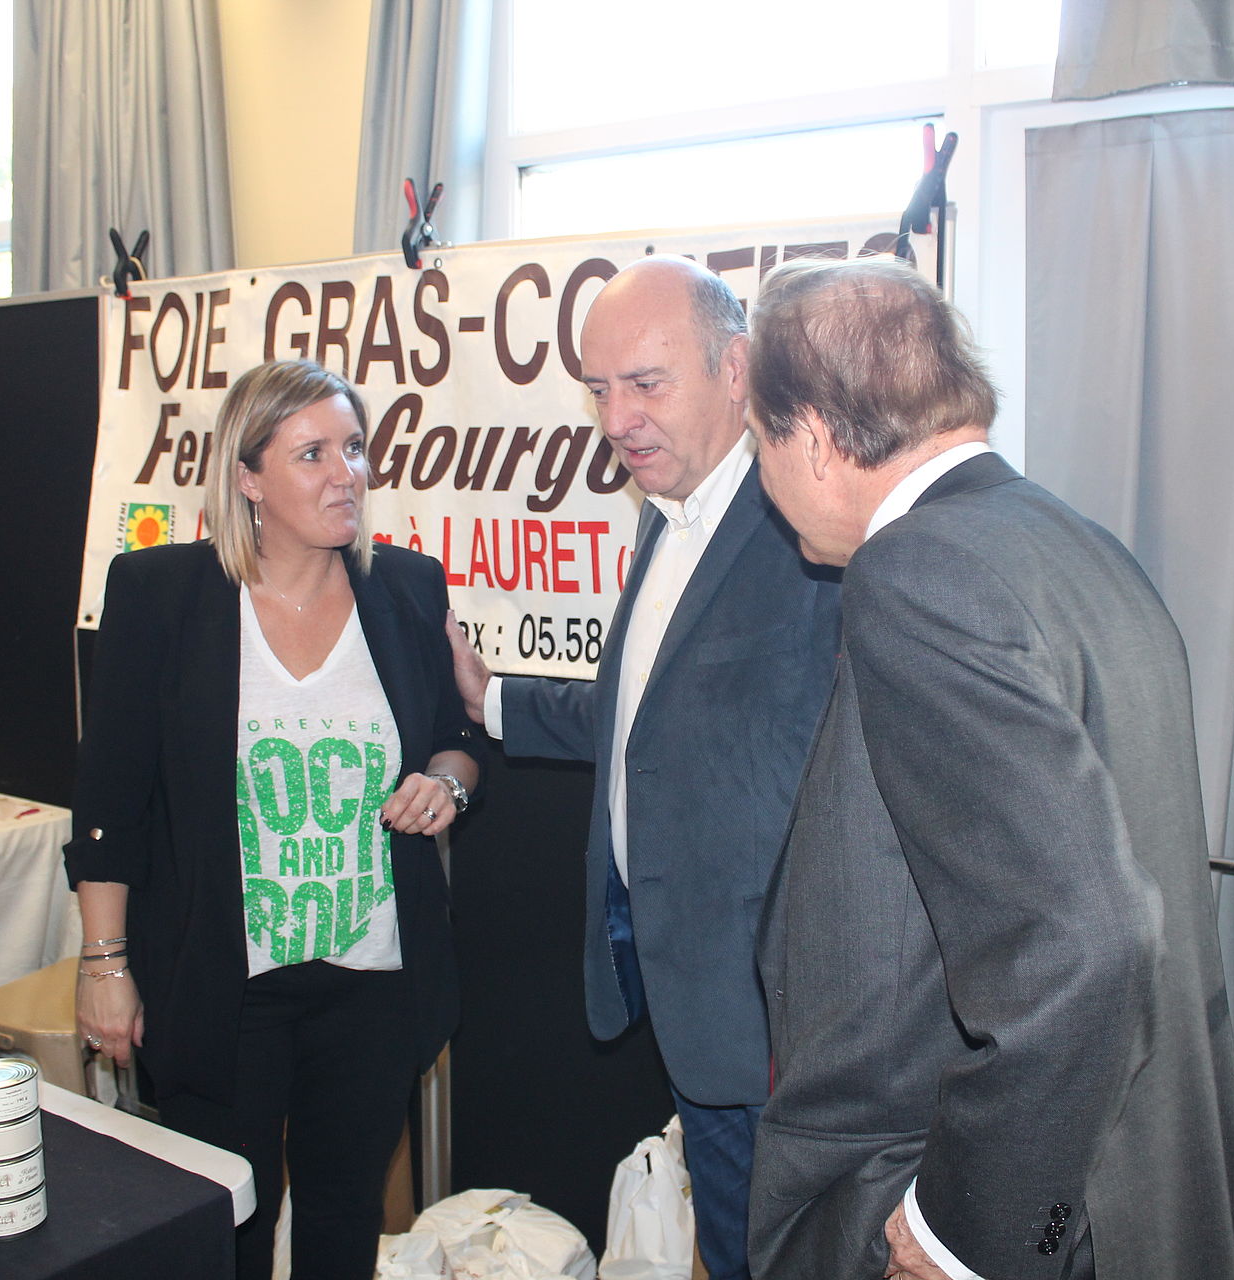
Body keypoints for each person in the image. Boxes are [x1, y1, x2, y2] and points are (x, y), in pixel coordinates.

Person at [742, 257, 1234, 1280]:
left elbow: (1090, 939)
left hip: (960, 1188)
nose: (763, 475)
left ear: (813, 437)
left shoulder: (918, 571)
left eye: (760, 439)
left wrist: (969, 1231)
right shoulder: (1077, 544)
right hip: (1136, 1186)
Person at [445, 255, 840, 1280]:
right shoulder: (665, 515)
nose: (617, 419)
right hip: (690, 1004)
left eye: (646, 383)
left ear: (737, 370)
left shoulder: (808, 521)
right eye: (599, 389)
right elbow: (648, 717)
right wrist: (494, 700)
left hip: (787, 1025)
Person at [67, 359, 484, 1280]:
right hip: (223, 984)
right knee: (227, 1234)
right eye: (313, 454)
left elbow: (458, 739)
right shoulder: (162, 596)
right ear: (247, 478)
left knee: (344, 1222)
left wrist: (446, 785)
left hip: (373, 981)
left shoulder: (407, 588)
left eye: (355, 448)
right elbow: (111, 801)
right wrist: (105, 966)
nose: (347, 474)